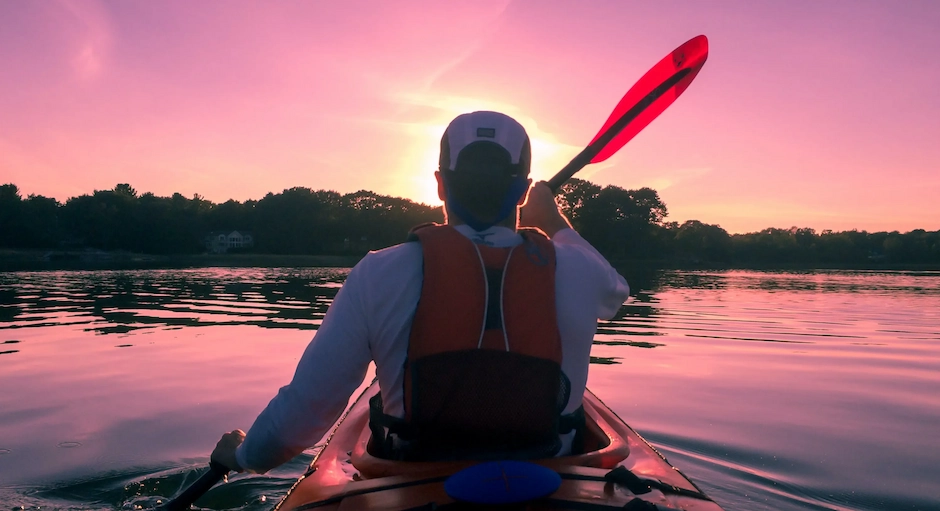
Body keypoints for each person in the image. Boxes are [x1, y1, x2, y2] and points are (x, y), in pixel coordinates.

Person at [211, 111, 630, 472]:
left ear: (440, 185)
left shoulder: (379, 272)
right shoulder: (578, 269)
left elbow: (300, 417)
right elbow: (617, 292)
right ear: (522, 190)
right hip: (552, 478)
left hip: (414, 479)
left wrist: (244, 456)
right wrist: (553, 219)